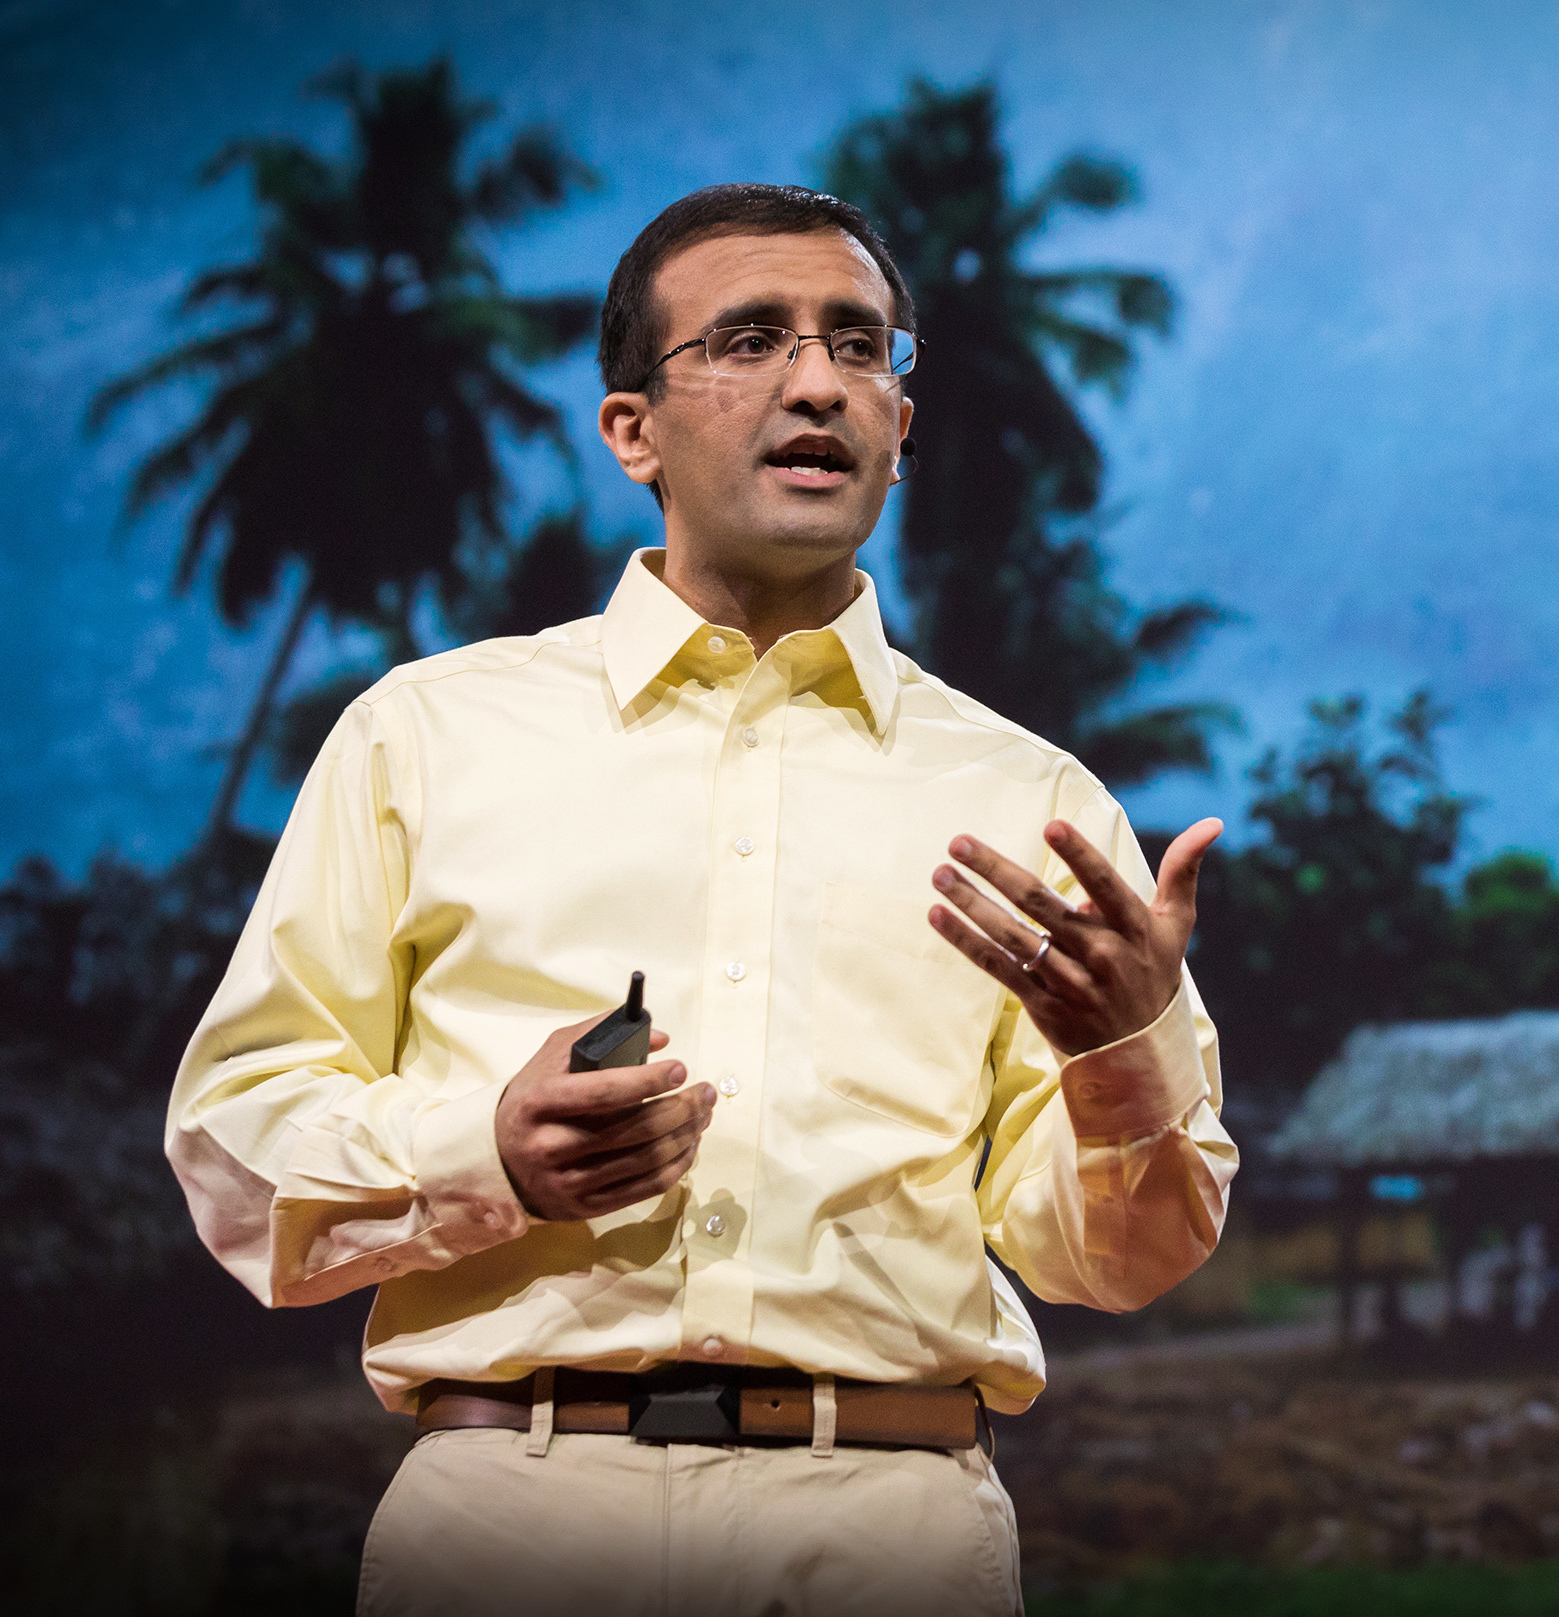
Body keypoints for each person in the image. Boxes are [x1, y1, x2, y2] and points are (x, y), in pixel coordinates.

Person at [165, 183, 1237, 1617]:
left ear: (900, 429)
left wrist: (1120, 1060)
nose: (816, 382)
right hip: (510, 1517)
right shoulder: (423, 737)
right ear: (632, 430)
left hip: (891, 1527)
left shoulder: (1030, 799)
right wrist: (483, 1147)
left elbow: (1124, 1260)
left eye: (859, 347)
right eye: (749, 339)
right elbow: (237, 1145)